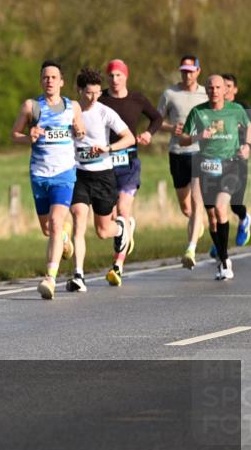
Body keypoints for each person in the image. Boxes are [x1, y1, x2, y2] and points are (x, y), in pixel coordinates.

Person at [10, 60, 86, 299]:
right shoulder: (31, 106)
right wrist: (28, 137)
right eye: (45, 77)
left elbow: (80, 130)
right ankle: (64, 238)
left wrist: (79, 131)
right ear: (41, 81)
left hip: (64, 173)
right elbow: (14, 135)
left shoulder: (72, 107)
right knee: (48, 228)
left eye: (54, 77)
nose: (49, 81)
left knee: (54, 222)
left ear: (62, 81)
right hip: (39, 174)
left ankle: (50, 279)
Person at [66, 68, 136, 292]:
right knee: (78, 220)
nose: (94, 97)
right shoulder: (68, 111)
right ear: (79, 90)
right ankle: (78, 275)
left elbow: (129, 138)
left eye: (97, 92)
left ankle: (122, 228)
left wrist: (108, 148)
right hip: (78, 174)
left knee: (103, 231)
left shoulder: (105, 112)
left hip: (104, 175)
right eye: (89, 93)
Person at [178, 74, 251, 280]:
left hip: (231, 166)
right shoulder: (198, 112)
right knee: (211, 219)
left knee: (221, 208)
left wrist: (246, 146)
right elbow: (183, 139)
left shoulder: (235, 110)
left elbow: (250, 127)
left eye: (218, 87)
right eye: (210, 88)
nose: (214, 91)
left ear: (224, 90)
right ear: (207, 90)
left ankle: (226, 260)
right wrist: (198, 137)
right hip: (207, 168)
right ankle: (221, 259)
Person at [98, 58, 163, 285]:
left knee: (123, 208)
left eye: (119, 75)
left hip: (129, 163)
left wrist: (148, 134)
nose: (115, 80)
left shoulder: (137, 99)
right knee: (113, 216)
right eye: (111, 75)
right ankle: (127, 229)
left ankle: (118, 266)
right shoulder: (100, 99)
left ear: (126, 76)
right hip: (105, 164)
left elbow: (157, 117)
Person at [158, 55, 208, 269]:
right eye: (184, 71)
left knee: (198, 202)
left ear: (198, 71)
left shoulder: (206, 93)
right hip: (177, 152)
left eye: (191, 70)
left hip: (200, 152)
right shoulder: (170, 94)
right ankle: (197, 224)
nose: (187, 74)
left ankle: (191, 248)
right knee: (186, 208)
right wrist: (171, 128)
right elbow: (157, 120)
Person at [207, 73, 251, 255]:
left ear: (235, 89)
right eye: (223, 86)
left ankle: (244, 218)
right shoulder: (214, 109)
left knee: (235, 203)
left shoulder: (241, 108)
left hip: (237, 162)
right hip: (215, 162)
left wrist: (243, 136)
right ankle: (219, 243)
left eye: (229, 86)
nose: (225, 89)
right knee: (214, 205)